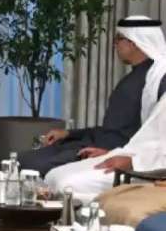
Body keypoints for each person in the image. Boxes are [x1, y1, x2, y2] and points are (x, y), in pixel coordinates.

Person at [18, 16, 166, 175]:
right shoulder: (134, 77)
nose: (115, 44)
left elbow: (153, 138)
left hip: (105, 151)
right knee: (22, 159)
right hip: (91, 143)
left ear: (134, 42)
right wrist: (68, 133)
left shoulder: (157, 80)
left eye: (118, 39)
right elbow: (111, 130)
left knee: (30, 165)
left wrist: (114, 153)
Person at [46, 92, 166, 202]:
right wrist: (112, 153)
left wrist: (134, 162)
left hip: (150, 169)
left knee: (66, 185)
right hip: (134, 156)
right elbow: (150, 140)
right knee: (53, 175)